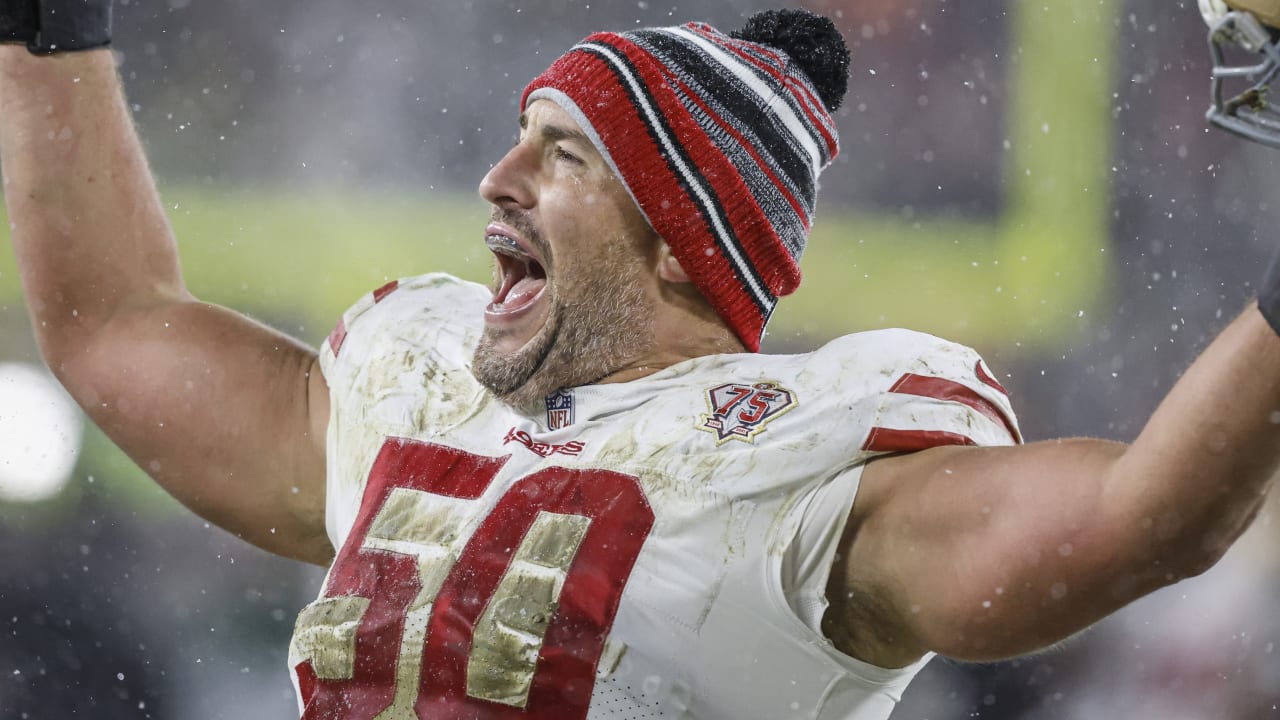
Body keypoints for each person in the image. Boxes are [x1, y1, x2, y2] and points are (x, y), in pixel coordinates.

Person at [3, 2, 1280, 719]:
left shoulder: (800, 469)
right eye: (522, 137)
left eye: (563, 156)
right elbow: (111, 323)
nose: (496, 181)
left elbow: (1144, 518)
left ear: (682, 245)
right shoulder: (412, 395)